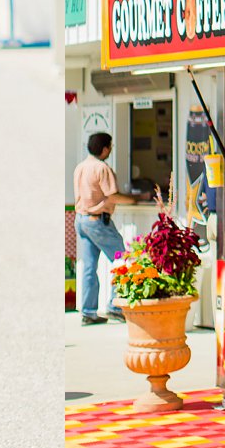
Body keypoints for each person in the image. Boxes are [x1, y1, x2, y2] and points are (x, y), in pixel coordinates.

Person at [74, 131, 136, 325]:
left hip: (81, 220)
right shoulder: (102, 168)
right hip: (98, 221)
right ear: (104, 149)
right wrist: (134, 199)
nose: (110, 150)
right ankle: (116, 306)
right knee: (122, 260)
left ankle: (88, 311)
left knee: (89, 268)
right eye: (110, 146)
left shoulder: (80, 167)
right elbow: (113, 196)